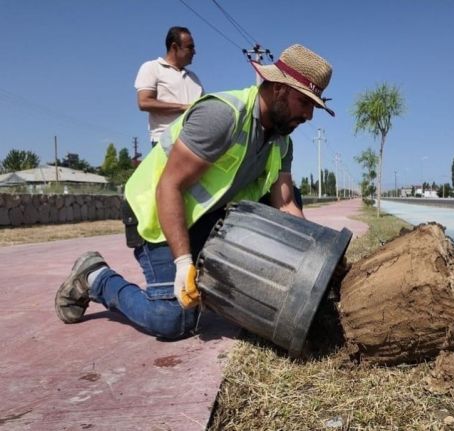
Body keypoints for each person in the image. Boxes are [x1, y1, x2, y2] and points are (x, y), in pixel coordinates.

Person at [55, 44, 334, 339]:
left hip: (204, 219)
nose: (308, 116)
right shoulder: (222, 116)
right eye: (305, 103)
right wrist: (183, 263)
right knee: (172, 320)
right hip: (156, 214)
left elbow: (286, 204)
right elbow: (169, 186)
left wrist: (317, 263)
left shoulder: (281, 141)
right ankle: (95, 276)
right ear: (279, 88)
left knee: (294, 202)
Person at [135, 26, 204, 145]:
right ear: (174, 47)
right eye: (190, 47)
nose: (194, 52)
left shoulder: (193, 77)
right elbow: (144, 102)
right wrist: (183, 107)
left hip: (195, 142)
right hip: (167, 140)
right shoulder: (152, 67)